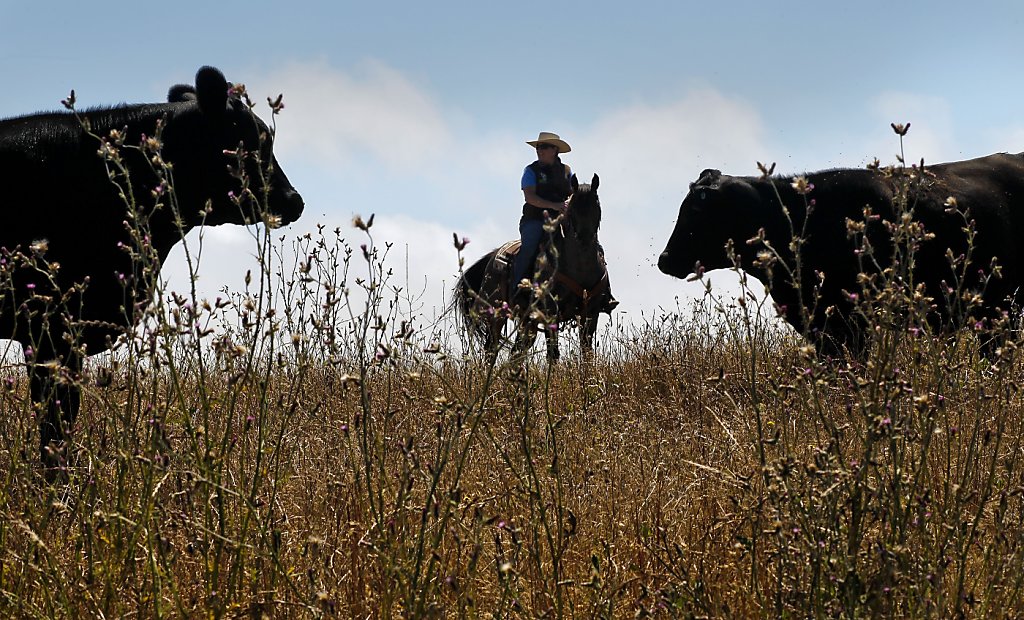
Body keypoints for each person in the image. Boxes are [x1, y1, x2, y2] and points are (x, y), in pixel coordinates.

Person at [513, 131, 617, 312]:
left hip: (562, 218)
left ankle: (605, 294)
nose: (539, 150)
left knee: (595, 246)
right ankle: (517, 291)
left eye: (543, 146)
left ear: (554, 150)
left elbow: (572, 193)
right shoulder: (531, 171)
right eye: (538, 147)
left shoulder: (566, 171)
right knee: (529, 246)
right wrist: (554, 205)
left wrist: (569, 203)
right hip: (536, 220)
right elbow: (530, 197)